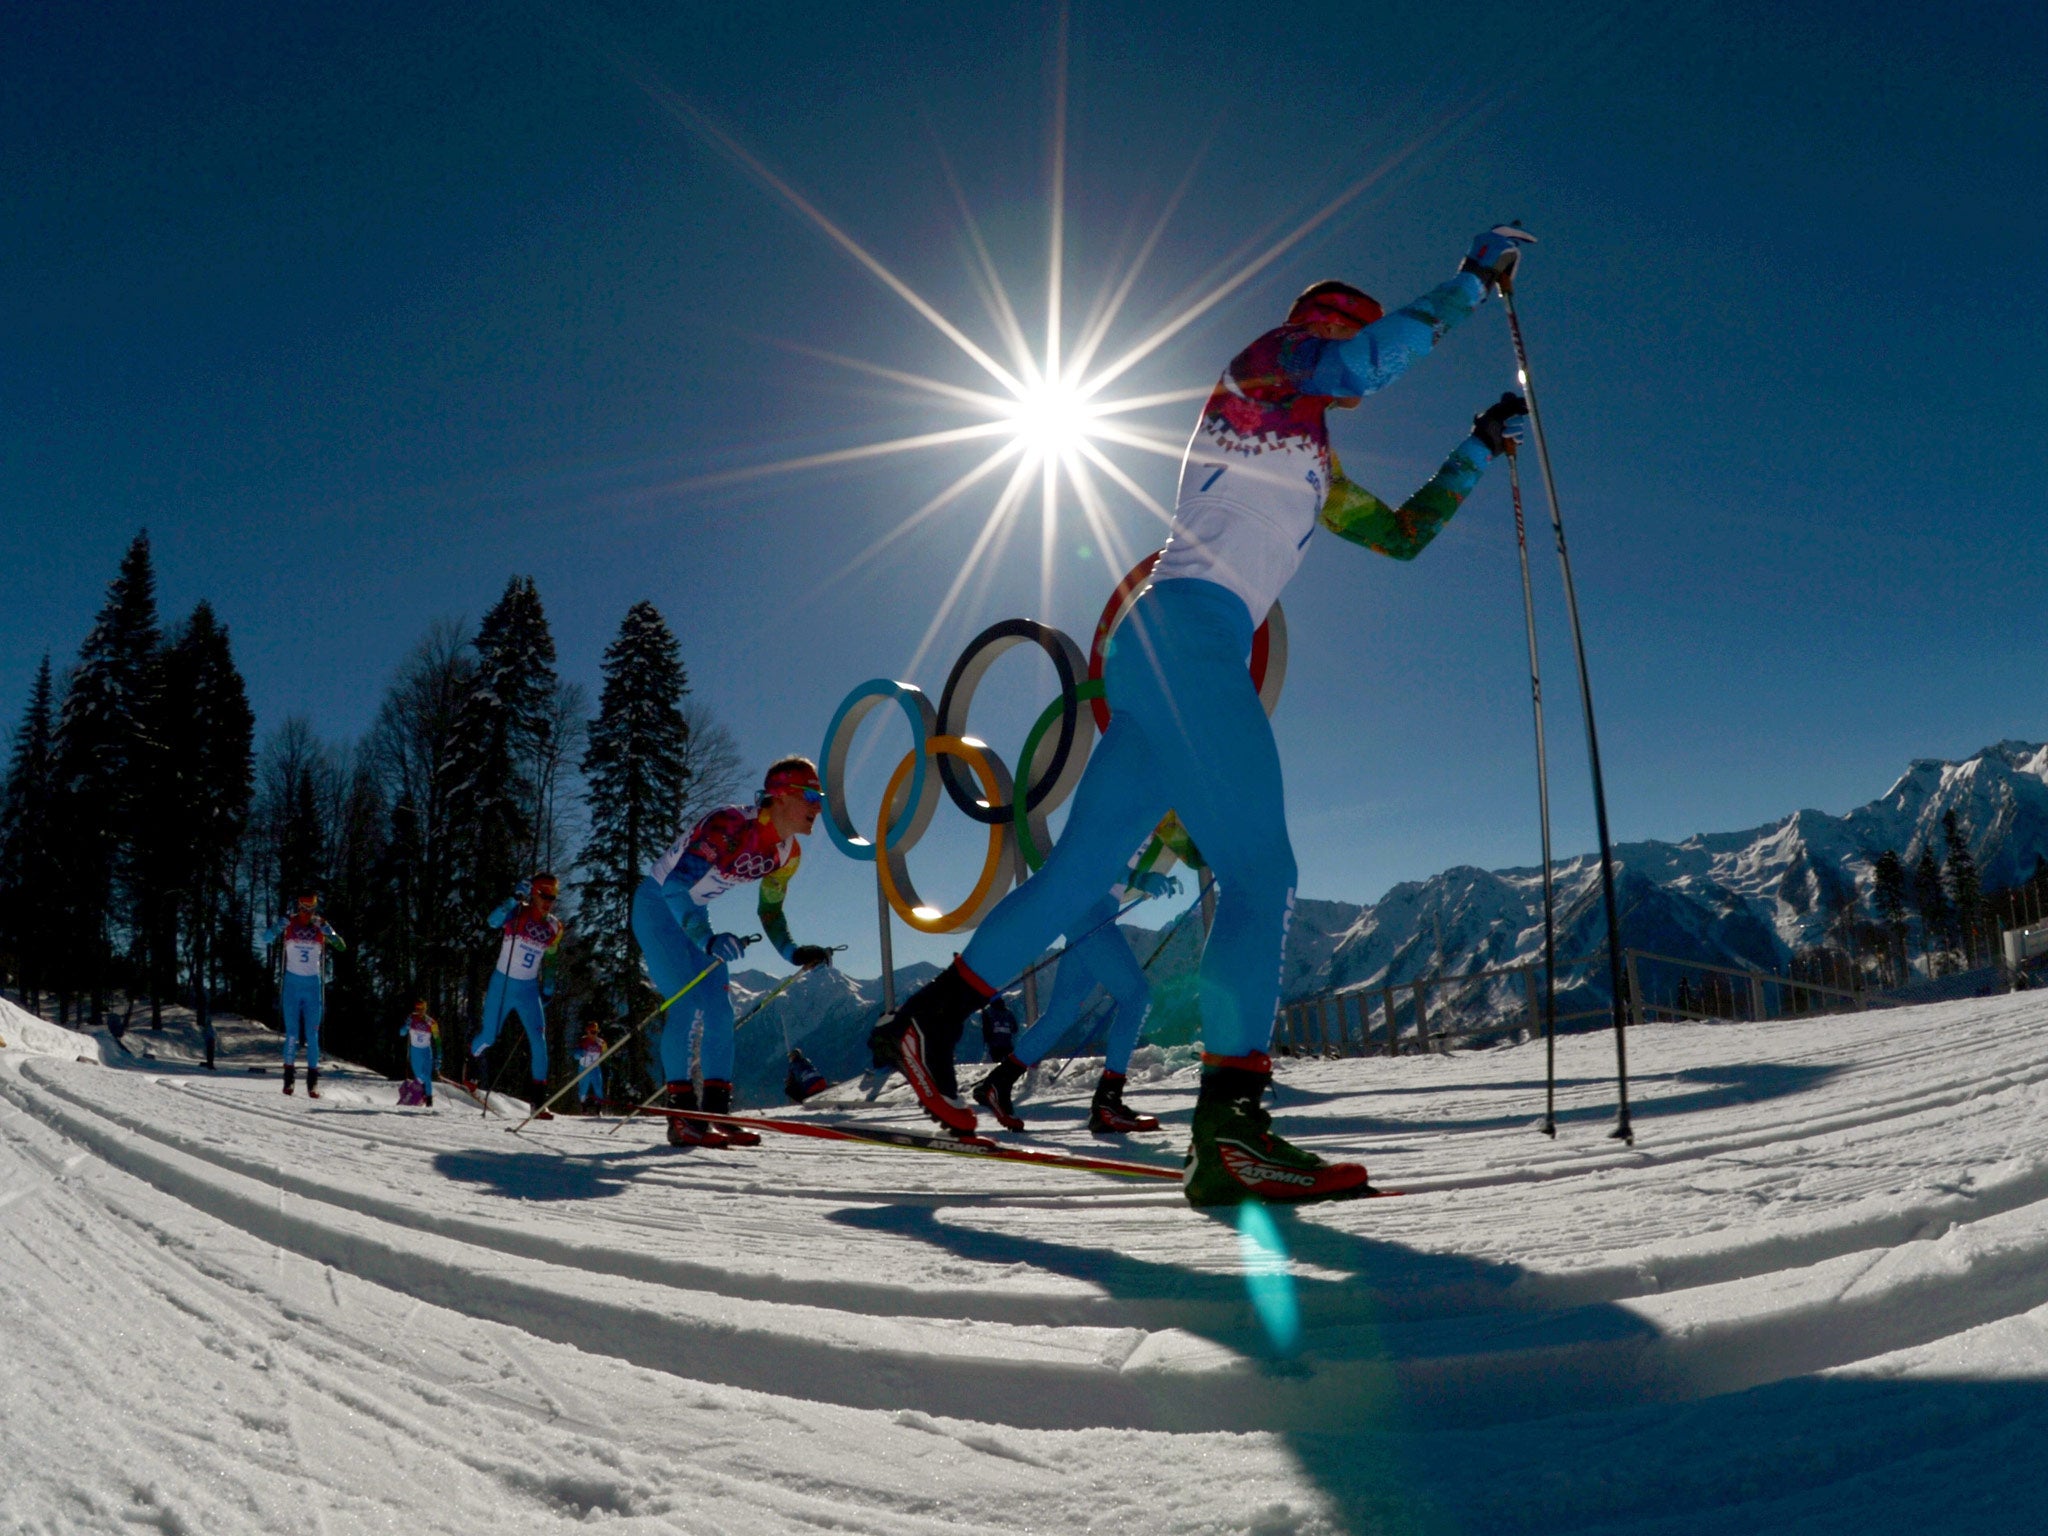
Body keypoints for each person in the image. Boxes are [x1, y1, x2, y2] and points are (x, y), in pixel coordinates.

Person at [872, 224, 1534, 1205]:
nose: (1343, 352)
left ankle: (930, 1018)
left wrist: (1473, 450)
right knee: (1260, 874)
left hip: (1156, 652)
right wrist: (1470, 286)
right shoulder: (1261, 369)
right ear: (1311, 326)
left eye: (1346, 330)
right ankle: (1230, 1132)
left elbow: (1396, 538)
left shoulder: (1311, 458)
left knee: (1077, 878)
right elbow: (1357, 359)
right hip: (1188, 641)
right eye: (1336, 327)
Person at [632, 757, 838, 1148]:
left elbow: (770, 910)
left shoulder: (787, 854)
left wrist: (793, 952)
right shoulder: (730, 825)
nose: (818, 807)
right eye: (810, 795)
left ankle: (715, 1114)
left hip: (695, 916)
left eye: (821, 798)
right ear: (778, 796)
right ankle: (681, 1116)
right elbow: (674, 888)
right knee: (686, 1003)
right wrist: (706, 940)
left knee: (720, 1011)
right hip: (658, 908)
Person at [971, 815, 1204, 1135]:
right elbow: (1093, 858)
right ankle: (1108, 1102)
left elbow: (1195, 854)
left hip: (1095, 909)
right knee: (1137, 997)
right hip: (1087, 905)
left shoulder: (1167, 816)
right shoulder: (1133, 800)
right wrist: (1140, 878)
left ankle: (998, 1083)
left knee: (1062, 1013)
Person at [467, 872, 565, 1118]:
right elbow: (491, 921)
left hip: (528, 989)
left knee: (539, 1042)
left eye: (552, 897)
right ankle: (471, 1065)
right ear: (533, 893)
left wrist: (549, 984)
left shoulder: (554, 926)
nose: (548, 902)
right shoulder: (517, 911)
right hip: (503, 984)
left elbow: (551, 957)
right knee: (490, 1035)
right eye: (543, 895)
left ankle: (539, 1102)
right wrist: (512, 899)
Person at [262, 892, 345, 1099]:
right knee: (291, 1033)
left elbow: (342, 946)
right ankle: (288, 1078)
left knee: (312, 1034)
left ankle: (312, 1082)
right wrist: (277, 927)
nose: (306, 913)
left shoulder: (320, 925)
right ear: (298, 907)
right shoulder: (289, 923)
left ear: (315, 908)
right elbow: (265, 938)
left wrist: (330, 933)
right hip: (291, 984)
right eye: (303, 908)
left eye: (310, 909)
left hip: (312, 986)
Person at [397, 1000, 440, 1108]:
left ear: (425, 1009)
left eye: (421, 1009)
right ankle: (419, 1094)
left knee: (427, 1076)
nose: (419, 1011)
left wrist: (439, 1057)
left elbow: (438, 1041)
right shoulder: (411, 1019)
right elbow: (401, 1033)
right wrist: (406, 1026)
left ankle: (429, 1102)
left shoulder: (431, 1022)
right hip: (415, 1051)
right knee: (419, 1076)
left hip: (426, 1052)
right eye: (417, 1009)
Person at [573, 1017, 607, 1112]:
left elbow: (606, 1053)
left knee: (598, 1086)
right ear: (587, 1032)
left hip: (595, 1068)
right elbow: (575, 1055)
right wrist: (580, 1053)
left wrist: (604, 1049)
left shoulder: (600, 1042)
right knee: (583, 1087)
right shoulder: (583, 1041)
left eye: (596, 1032)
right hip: (584, 1068)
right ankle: (583, 1106)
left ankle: (598, 1108)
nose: (594, 1034)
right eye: (592, 1032)